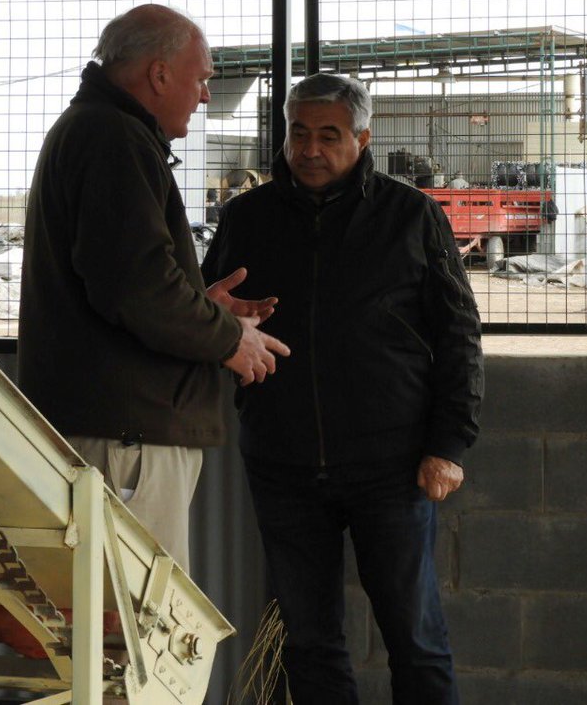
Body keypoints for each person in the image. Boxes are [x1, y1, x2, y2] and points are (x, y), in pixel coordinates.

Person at [202, 72, 483, 705]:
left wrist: (449, 444)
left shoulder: (411, 215)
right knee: (308, 641)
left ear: (362, 138)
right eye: (299, 133)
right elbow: (202, 311)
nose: (310, 149)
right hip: (283, 464)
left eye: (329, 136)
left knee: (416, 637)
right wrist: (218, 327)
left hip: (394, 465)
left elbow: (460, 335)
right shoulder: (248, 218)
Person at [18, 3, 289, 572]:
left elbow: (126, 279)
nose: (206, 95)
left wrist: (199, 304)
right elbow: (136, 291)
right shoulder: (114, 139)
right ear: (160, 74)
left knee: (111, 620)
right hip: (125, 442)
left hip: (115, 431)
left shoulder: (97, 129)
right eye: (202, 78)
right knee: (135, 632)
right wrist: (226, 338)